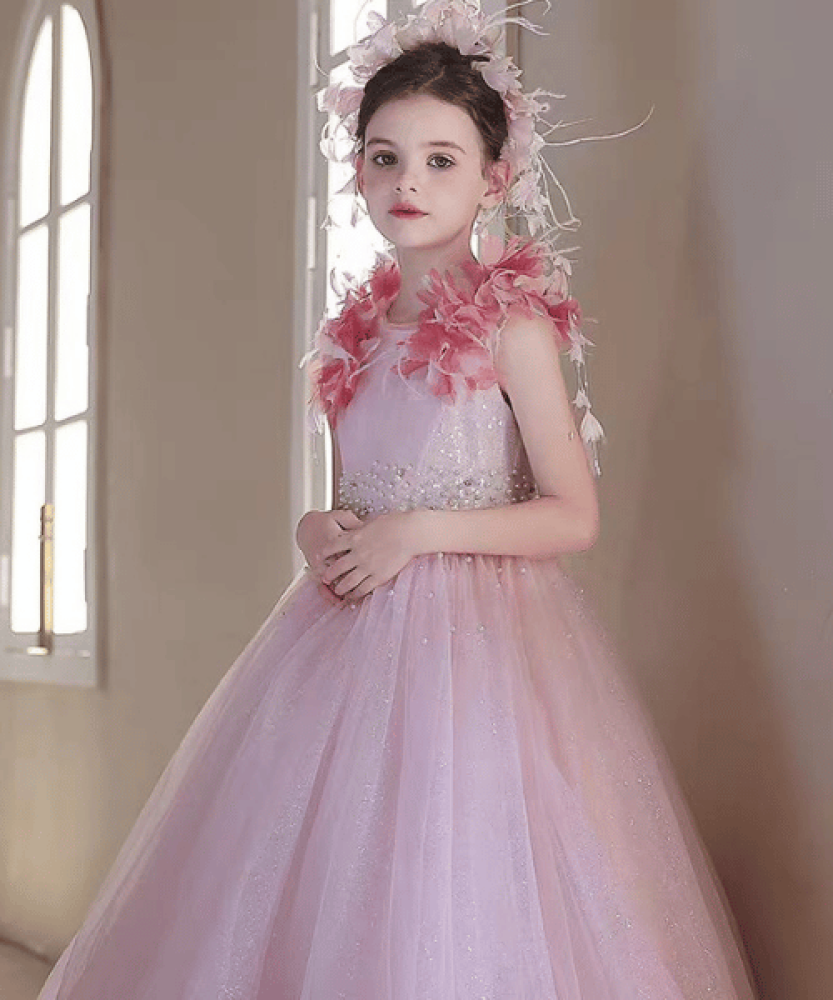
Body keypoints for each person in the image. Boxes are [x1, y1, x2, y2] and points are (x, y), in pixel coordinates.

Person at [38, 1, 759, 997]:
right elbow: (351, 496)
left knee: (455, 876)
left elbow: (571, 514)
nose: (407, 182)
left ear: (493, 177)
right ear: (358, 171)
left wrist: (417, 532)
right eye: (384, 158)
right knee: (325, 873)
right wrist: (314, 525)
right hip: (345, 647)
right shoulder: (349, 340)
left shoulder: (511, 327)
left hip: (483, 653)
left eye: (438, 160)